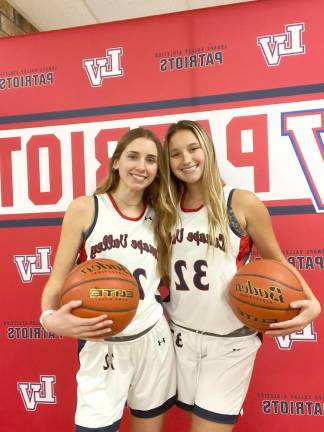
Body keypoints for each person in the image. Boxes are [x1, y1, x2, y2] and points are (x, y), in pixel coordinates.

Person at [160, 119, 321, 432]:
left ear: (208, 149)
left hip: (230, 342)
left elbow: (276, 260)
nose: (186, 159)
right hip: (180, 336)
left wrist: (312, 301)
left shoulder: (240, 201)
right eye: (175, 154)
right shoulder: (166, 208)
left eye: (193, 148)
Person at [39, 127, 176, 432]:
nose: (141, 166)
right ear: (116, 161)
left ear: (158, 170)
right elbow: (56, 281)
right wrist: (49, 319)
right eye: (133, 156)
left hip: (152, 339)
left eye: (151, 160)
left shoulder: (164, 215)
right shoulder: (86, 208)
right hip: (101, 342)